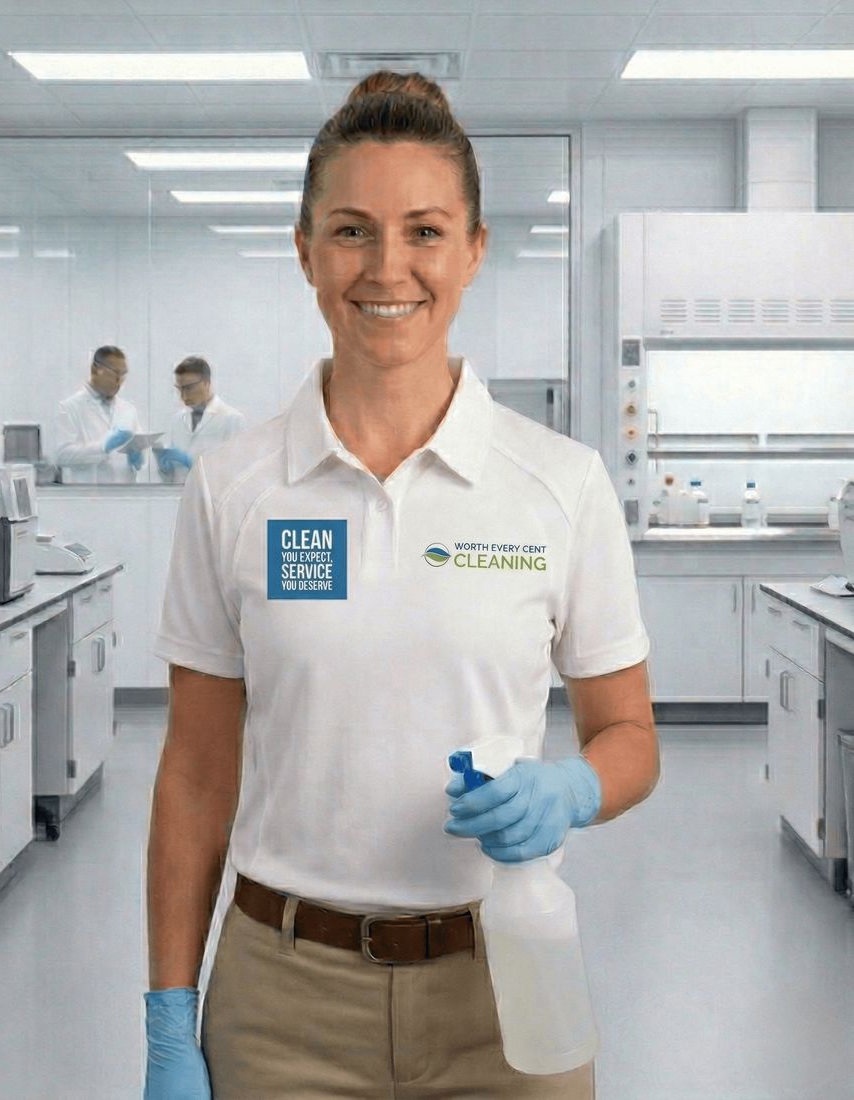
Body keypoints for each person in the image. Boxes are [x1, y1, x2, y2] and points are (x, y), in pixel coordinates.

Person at [144, 71, 659, 1098]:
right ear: (304, 251)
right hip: (281, 999)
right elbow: (197, 775)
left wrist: (572, 789)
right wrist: (166, 1009)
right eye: (349, 230)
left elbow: (628, 735)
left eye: (424, 231)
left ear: (472, 248)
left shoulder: (557, 483)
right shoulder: (233, 485)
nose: (387, 268)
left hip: (504, 983)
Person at [53, 346, 146, 483]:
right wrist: (103, 447)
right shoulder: (69, 408)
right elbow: (62, 456)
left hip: (126, 496)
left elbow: (139, 452)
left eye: (123, 374)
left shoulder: (128, 410)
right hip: (88, 497)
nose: (119, 380)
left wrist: (138, 456)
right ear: (95, 370)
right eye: (115, 373)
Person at [155, 356, 246, 483]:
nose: (183, 396)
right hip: (179, 498)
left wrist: (190, 462)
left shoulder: (232, 419)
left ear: (206, 383)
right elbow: (171, 478)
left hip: (211, 499)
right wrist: (164, 468)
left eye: (189, 388)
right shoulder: (176, 420)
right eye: (179, 389)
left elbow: (233, 471)